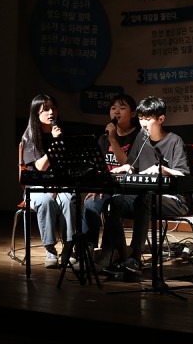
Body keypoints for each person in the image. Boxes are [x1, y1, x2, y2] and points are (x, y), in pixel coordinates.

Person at [107, 95, 191, 280]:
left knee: (145, 200)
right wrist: (126, 168)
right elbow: (133, 165)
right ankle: (122, 255)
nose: (143, 123)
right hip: (145, 197)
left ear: (161, 119)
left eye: (148, 118)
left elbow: (184, 175)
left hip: (174, 199)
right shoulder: (141, 137)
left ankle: (135, 257)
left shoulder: (175, 141)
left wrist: (162, 170)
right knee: (115, 202)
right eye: (141, 118)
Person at [81, 94, 140, 268]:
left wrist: (113, 139)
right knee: (90, 204)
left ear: (133, 114)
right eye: (113, 108)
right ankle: (88, 250)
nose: (116, 112)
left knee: (113, 206)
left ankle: (111, 252)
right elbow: (98, 167)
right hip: (106, 187)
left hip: (127, 189)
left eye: (122, 108)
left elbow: (128, 165)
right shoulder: (103, 138)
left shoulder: (138, 137)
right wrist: (97, 186)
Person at [20, 93, 76, 269]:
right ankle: (50, 250)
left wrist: (59, 184)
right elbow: (41, 167)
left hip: (59, 184)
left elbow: (69, 165)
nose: (51, 112)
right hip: (36, 186)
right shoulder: (30, 137)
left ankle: (69, 248)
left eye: (53, 108)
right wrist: (54, 143)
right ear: (36, 113)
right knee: (45, 201)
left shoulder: (62, 133)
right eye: (46, 109)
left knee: (69, 200)